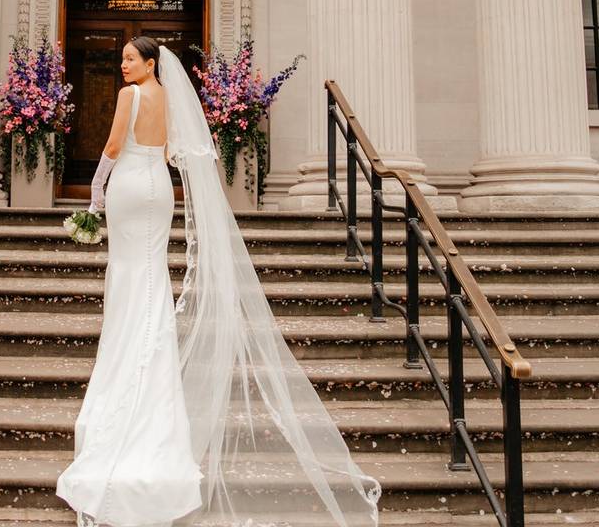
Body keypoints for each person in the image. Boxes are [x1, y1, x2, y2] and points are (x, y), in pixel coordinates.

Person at [55, 37, 381, 527]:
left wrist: (96, 191)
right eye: (121, 58)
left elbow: (115, 145)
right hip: (160, 189)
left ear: (149, 63)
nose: (122, 66)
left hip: (127, 184)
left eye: (129, 59)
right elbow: (169, 152)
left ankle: (129, 360)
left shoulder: (131, 96)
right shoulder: (170, 98)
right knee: (151, 270)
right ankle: (151, 355)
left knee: (128, 272)